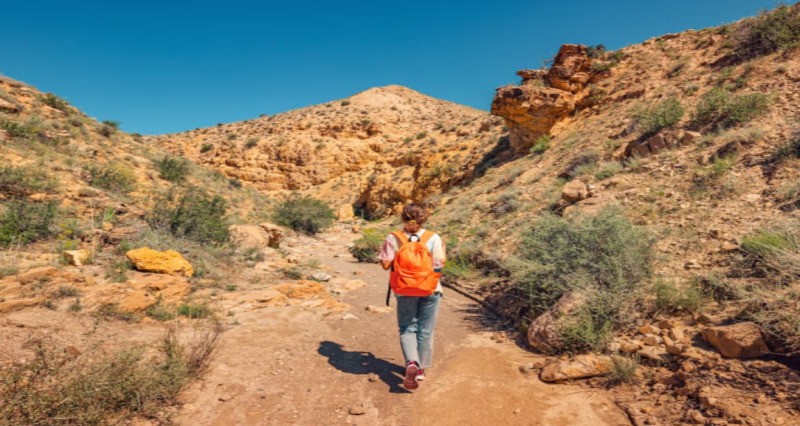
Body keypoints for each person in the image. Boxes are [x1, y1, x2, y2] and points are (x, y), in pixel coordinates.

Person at [379, 203, 446, 390]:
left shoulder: (394, 237)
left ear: (402, 217)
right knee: (426, 330)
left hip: (404, 289)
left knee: (407, 329)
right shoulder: (433, 237)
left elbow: (385, 265)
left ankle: (411, 363)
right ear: (424, 218)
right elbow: (439, 264)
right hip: (431, 289)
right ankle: (421, 369)